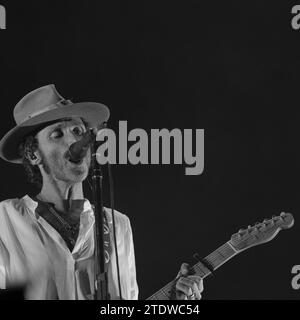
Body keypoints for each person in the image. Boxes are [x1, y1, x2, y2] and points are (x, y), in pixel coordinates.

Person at [0, 84, 203, 300]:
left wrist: (174, 302)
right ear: (33, 155)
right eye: (57, 134)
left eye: (78, 131)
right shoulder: (5, 219)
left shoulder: (118, 224)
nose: (74, 142)